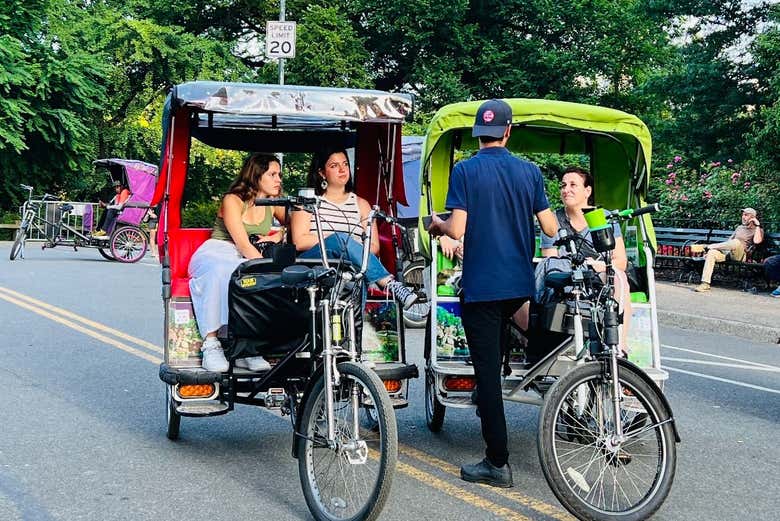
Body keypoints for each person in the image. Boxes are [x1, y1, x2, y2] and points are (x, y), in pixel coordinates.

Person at [428, 99, 558, 488]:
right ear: (508, 131)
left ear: (478, 135)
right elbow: (551, 228)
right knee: (503, 350)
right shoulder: (530, 171)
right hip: (519, 285)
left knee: (485, 374)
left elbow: (457, 230)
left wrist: (437, 225)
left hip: (482, 286)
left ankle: (497, 462)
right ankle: (497, 411)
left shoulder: (465, 170)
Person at [188, 153, 286, 372]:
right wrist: (266, 269)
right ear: (256, 175)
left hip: (244, 256)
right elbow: (242, 243)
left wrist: (278, 235)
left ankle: (246, 348)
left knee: (254, 276)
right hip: (219, 250)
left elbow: (295, 224)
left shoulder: (273, 202)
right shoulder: (232, 200)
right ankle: (211, 343)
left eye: (279, 175)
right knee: (227, 271)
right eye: (272, 174)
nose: (278, 180)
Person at [290, 148, 418, 309]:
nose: (342, 169)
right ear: (322, 173)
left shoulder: (361, 204)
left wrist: (349, 247)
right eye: (334, 166)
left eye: (345, 164)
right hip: (316, 262)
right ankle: (388, 283)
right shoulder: (307, 202)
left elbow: (374, 247)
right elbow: (299, 241)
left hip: (351, 267)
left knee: (348, 251)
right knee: (339, 239)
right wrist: (338, 240)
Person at [537, 166, 633, 353]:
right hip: (566, 275)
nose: (566, 190)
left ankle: (619, 346)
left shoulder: (603, 218)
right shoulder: (552, 220)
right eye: (563, 185)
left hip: (597, 273)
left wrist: (597, 265)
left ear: (587, 191)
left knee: (620, 277)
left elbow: (620, 261)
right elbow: (550, 259)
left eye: (573, 185)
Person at [694, 207, 764, 292]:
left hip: (741, 255)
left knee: (737, 242)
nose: (743, 217)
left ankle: (708, 246)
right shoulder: (739, 228)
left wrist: (757, 225)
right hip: (729, 253)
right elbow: (729, 242)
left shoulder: (758, 230)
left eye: (746, 215)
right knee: (712, 253)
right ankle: (705, 283)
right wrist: (718, 250)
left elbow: (757, 241)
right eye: (743, 215)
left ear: (752, 217)